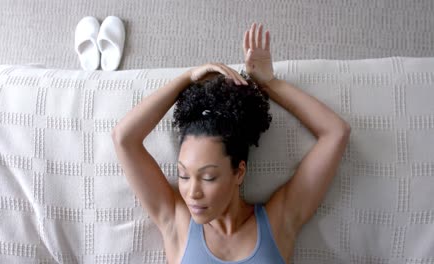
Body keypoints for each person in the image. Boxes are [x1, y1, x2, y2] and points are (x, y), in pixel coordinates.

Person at [111, 23, 351, 264]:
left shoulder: (279, 221)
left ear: (239, 172)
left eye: (208, 177)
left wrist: (269, 83)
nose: (192, 193)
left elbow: (336, 133)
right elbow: (124, 138)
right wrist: (187, 78)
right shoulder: (176, 221)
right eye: (183, 175)